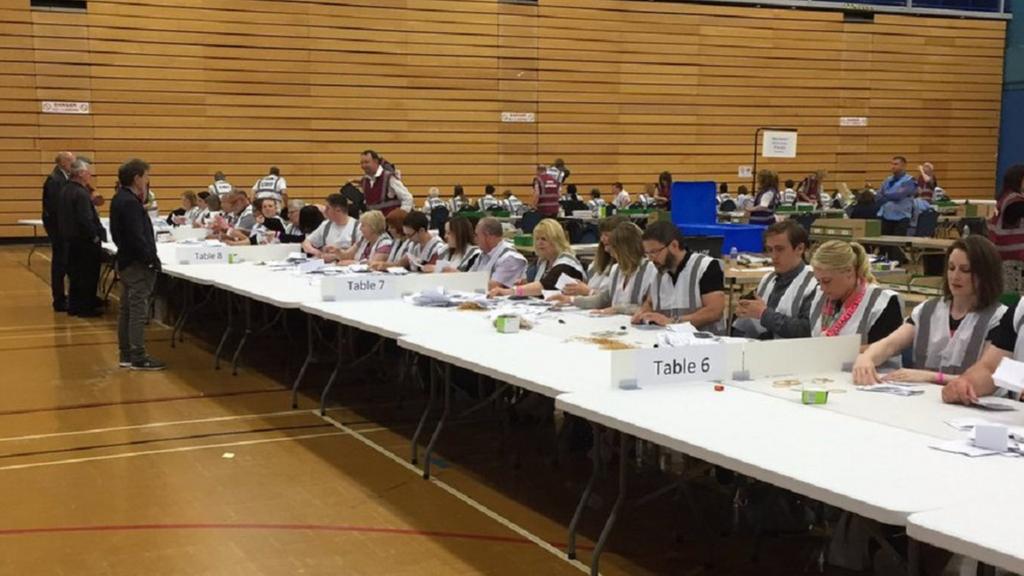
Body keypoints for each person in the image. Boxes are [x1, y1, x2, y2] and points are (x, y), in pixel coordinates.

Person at [853, 236, 1006, 386]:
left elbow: (989, 378)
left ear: (985, 275)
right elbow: (890, 344)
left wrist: (932, 377)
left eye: (965, 270)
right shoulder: (926, 310)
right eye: (951, 268)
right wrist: (867, 358)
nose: (955, 276)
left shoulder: (1000, 319)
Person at [110, 158, 164, 370]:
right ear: (137, 178)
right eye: (146, 176)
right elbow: (136, 237)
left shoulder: (119, 199)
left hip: (126, 261)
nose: (147, 180)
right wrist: (150, 259)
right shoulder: (130, 203)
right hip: (137, 264)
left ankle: (126, 353)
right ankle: (138, 355)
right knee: (137, 309)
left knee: (126, 309)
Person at [632, 221, 726, 333]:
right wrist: (643, 313)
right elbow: (650, 302)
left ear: (674, 245)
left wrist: (673, 322)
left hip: (702, 343)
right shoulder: (657, 271)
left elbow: (714, 311)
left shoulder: (705, 267)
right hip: (666, 341)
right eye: (647, 254)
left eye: (654, 252)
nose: (651, 258)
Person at [806, 240, 903, 347]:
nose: (822, 288)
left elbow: (884, 349)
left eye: (827, 281)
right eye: (818, 281)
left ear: (849, 271)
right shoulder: (820, 296)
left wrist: (830, 351)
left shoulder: (883, 303)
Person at [733, 221, 818, 340]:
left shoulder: (815, 283)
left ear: (800, 248)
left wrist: (764, 314)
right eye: (770, 249)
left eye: (780, 249)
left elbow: (807, 330)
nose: (773, 256)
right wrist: (743, 309)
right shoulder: (768, 279)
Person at [552, 222, 656, 315]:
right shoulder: (616, 270)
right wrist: (571, 300)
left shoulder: (651, 270)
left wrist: (617, 309)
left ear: (625, 248)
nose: (609, 251)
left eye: (614, 247)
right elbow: (603, 299)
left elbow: (651, 308)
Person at [58, 157, 106, 317]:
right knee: (88, 275)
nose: (90, 176)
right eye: (88, 173)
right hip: (84, 241)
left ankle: (74, 306)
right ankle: (86, 308)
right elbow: (85, 219)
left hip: (70, 240)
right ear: (81, 174)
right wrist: (95, 236)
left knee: (75, 276)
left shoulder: (65, 190)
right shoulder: (80, 193)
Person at [488, 219, 585, 297]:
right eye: (537, 239)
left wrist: (510, 291)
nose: (539, 243)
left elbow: (542, 286)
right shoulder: (543, 261)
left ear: (556, 240)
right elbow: (528, 282)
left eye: (544, 239)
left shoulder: (566, 264)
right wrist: (523, 284)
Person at [42, 151, 74, 311]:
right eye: (70, 161)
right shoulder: (55, 180)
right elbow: (56, 208)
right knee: (59, 265)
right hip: (59, 229)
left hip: (61, 228)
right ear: (62, 162)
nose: (73, 164)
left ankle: (63, 296)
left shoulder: (62, 178)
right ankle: (59, 299)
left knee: (63, 263)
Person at [987, 164, 1024, 293]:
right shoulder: (1015, 202)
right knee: (1011, 300)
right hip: (1012, 261)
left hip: (1001, 256)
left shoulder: (1004, 198)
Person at [470, 216, 528, 289]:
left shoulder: (510, 258)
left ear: (487, 236)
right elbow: (469, 277)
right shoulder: (483, 254)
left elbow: (493, 286)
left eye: (477, 235)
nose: (475, 239)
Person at [302, 193, 359, 262]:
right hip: (327, 267)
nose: (325, 211)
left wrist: (335, 256)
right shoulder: (326, 225)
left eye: (328, 208)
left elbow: (359, 252)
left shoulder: (357, 226)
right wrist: (318, 253)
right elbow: (306, 243)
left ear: (338, 210)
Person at [359, 150, 413, 215]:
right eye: (361, 163)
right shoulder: (365, 181)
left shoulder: (389, 178)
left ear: (375, 161)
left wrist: (401, 216)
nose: (363, 165)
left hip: (390, 224)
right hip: (373, 224)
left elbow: (408, 198)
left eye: (366, 162)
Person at [876, 156, 918, 238]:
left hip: (901, 218)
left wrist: (885, 194)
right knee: (883, 245)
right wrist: (890, 195)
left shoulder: (909, 180)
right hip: (885, 216)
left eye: (896, 164)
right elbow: (878, 196)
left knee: (896, 247)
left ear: (903, 166)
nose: (893, 166)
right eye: (892, 164)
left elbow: (899, 196)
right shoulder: (887, 180)